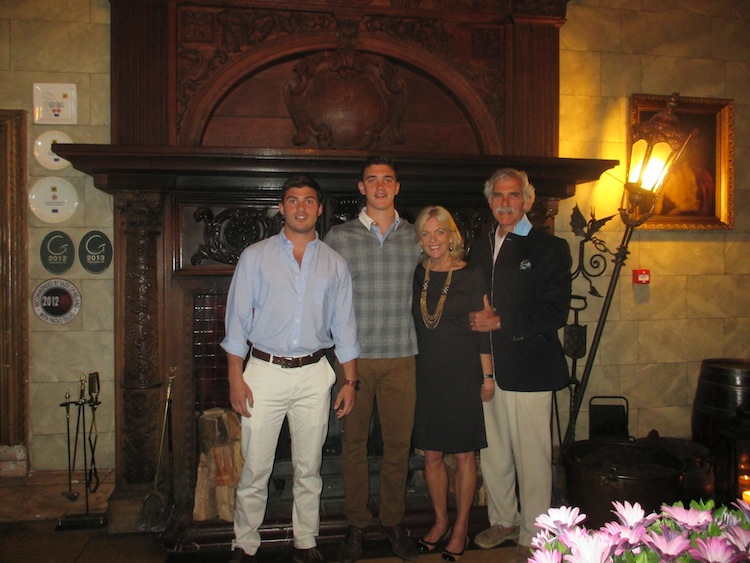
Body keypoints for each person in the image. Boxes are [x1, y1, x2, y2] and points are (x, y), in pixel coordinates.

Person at [221, 174, 361, 563]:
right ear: (281, 208)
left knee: (309, 467)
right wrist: (236, 377)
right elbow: (236, 324)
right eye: (293, 200)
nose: (301, 207)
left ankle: (306, 541)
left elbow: (345, 327)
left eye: (309, 200)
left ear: (319, 208)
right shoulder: (255, 256)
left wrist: (350, 381)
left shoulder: (335, 264)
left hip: (315, 374)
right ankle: (245, 544)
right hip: (263, 372)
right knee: (255, 467)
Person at [468, 168, 571, 562]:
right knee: (494, 451)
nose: (505, 202)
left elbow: (554, 311)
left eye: (513, 195)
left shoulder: (550, 248)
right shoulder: (478, 248)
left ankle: (535, 530)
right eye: (498, 195)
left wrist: (502, 322)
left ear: (527, 200)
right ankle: (504, 520)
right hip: (487, 368)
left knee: (532, 454)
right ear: (489, 200)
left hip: (531, 367)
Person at [324, 156, 422, 563]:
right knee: (353, 444)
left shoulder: (417, 236)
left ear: (397, 187)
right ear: (361, 188)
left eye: (387, 179)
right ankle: (356, 523)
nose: (380, 186)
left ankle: (393, 520)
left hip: (402, 355)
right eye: (371, 180)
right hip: (353, 362)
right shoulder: (338, 237)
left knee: (399, 445)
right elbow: (322, 293)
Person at [410, 206, 495, 562]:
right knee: (431, 454)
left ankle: (461, 527)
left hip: (463, 373)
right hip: (426, 374)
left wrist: (488, 376)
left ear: (452, 236)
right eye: (426, 234)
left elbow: (483, 328)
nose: (433, 240)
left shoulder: (471, 274)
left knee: (462, 455)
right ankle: (440, 521)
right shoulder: (418, 273)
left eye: (439, 233)